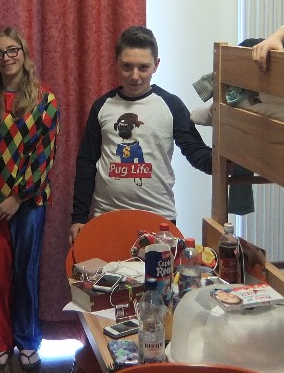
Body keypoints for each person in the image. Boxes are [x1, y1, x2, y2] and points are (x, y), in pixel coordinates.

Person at [0, 28, 59, 372]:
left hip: (28, 203)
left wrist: (18, 197)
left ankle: (28, 340)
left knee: (25, 273)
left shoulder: (44, 100)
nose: (7, 58)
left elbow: (44, 155)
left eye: (12, 50)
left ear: (23, 52)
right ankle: (0, 342)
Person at [70, 26, 211, 244]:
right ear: (116, 63)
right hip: (106, 216)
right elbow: (87, 162)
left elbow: (195, 151)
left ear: (156, 65)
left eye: (143, 67)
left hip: (158, 218)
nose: (135, 76)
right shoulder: (102, 106)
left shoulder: (171, 105)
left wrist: (223, 164)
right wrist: (79, 217)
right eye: (127, 66)